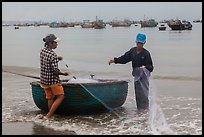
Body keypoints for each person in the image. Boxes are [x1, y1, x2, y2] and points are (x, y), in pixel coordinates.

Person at [108, 33, 153, 112]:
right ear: (136, 42)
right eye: (138, 43)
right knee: (138, 96)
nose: (139, 45)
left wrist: (144, 67)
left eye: (141, 43)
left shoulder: (146, 54)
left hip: (144, 79)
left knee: (144, 96)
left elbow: (151, 67)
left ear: (144, 43)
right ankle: (140, 112)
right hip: (137, 78)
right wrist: (114, 60)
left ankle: (146, 112)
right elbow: (124, 59)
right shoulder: (132, 51)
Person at [40, 34, 69, 119]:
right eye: (56, 43)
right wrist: (64, 74)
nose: (57, 44)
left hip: (44, 80)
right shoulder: (52, 55)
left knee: (50, 97)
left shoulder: (42, 51)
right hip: (53, 80)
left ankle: (50, 114)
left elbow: (47, 61)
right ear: (51, 43)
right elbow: (55, 71)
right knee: (60, 96)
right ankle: (49, 116)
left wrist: (57, 58)